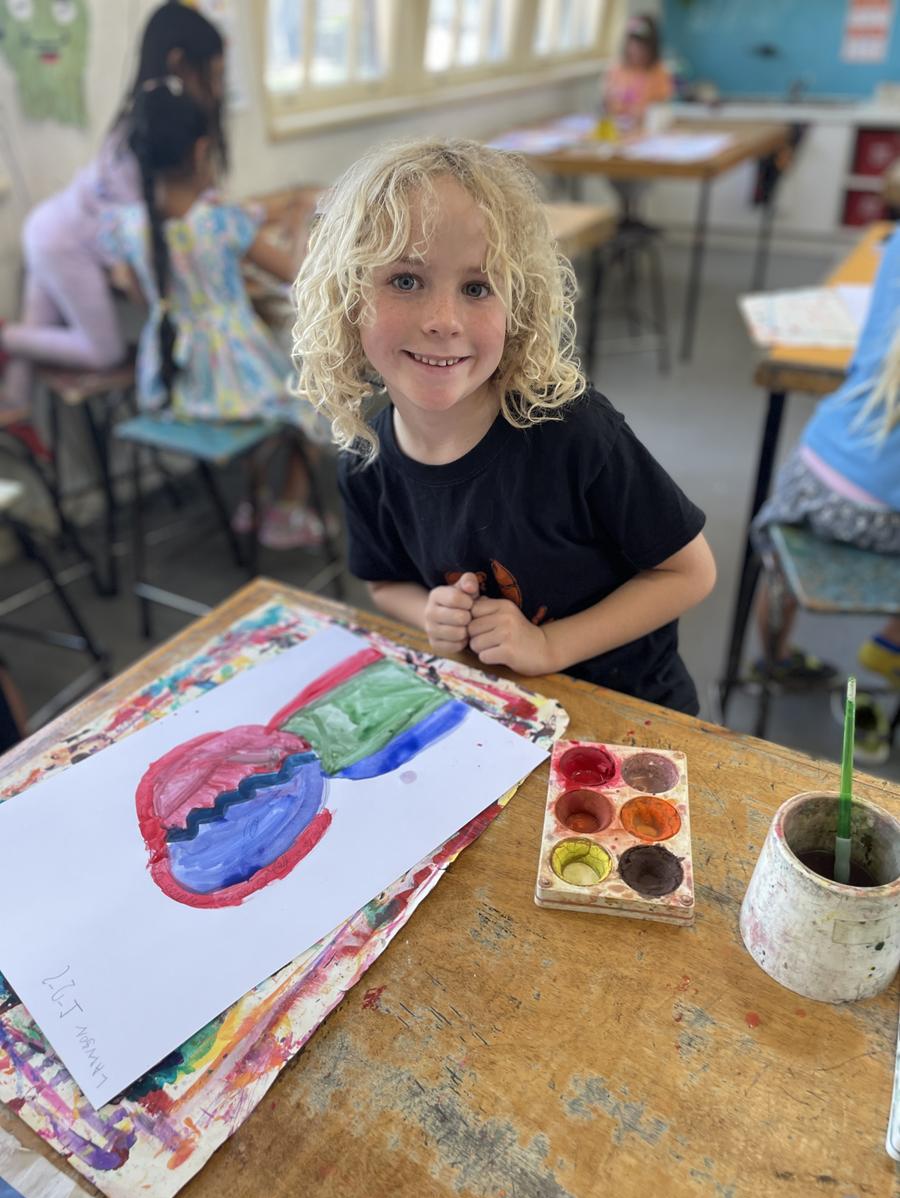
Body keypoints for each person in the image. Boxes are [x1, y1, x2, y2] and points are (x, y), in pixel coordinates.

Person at [291, 138, 716, 713]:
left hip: (627, 709)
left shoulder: (572, 432)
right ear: (347, 298)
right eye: (406, 280)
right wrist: (431, 615)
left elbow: (688, 573)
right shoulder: (365, 456)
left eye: (477, 287)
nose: (443, 321)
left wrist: (549, 645)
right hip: (495, 711)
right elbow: (384, 582)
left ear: (518, 306)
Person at [100, 79, 331, 549]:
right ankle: (286, 510)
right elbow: (298, 274)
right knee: (318, 398)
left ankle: (254, 500)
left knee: (260, 412)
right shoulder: (219, 218)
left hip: (171, 385)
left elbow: (137, 291)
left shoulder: (127, 225)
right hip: (233, 376)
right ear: (202, 150)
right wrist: (301, 223)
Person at [0, 2, 226, 415]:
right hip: (61, 241)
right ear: (180, 63)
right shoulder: (144, 133)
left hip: (49, 228)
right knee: (103, 351)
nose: (217, 86)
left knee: (23, 368)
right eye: (211, 74)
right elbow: (132, 233)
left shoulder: (137, 123)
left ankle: (16, 411)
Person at [753, 225, 900, 761]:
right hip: (888, 511)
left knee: (778, 551)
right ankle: (889, 650)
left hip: (818, 471)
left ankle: (773, 658)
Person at [602, 13, 673, 136]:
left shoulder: (659, 73)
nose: (637, 52)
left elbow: (660, 111)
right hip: (617, 133)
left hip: (645, 135)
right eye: (633, 46)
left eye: (643, 49)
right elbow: (606, 105)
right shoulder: (615, 70)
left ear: (652, 49)